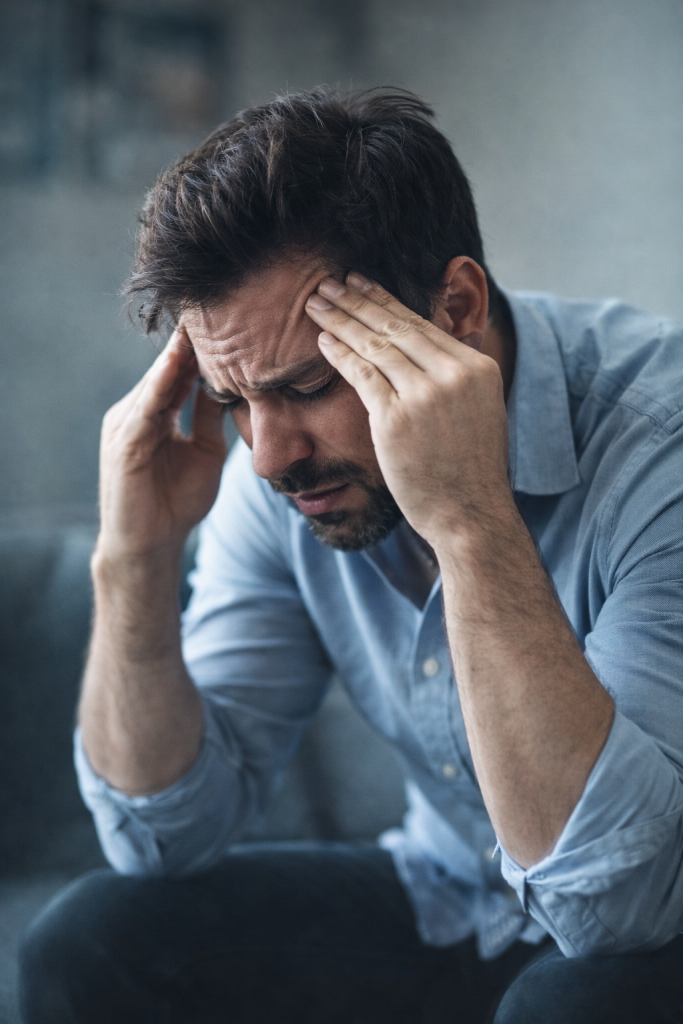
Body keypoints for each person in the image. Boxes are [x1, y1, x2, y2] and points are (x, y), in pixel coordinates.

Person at [20, 88, 683, 1023]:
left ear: (453, 305)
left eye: (312, 384)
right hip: (457, 893)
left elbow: (613, 902)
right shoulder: (283, 466)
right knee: (88, 938)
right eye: (235, 400)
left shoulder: (660, 440)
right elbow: (163, 838)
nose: (269, 456)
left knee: (572, 1003)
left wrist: (468, 521)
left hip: (656, 911)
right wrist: (135, 557)